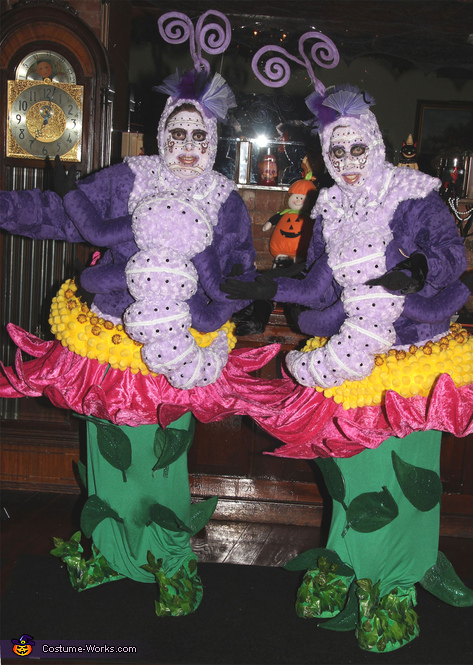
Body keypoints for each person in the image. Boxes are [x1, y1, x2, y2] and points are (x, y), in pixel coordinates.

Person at [0, 12, 273, 617]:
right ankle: (106, 555)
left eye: (200, 137)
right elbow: (60, 214)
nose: (187, 148)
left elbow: (237, 279)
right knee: (108, 456)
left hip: (174, 349)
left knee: (161, 463)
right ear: (160, 134)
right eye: (178, 135)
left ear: (216, 141)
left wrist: (206, 311)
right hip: (106, 339)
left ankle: (170, 566)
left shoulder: (225, 202)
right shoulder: (129, 176)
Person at [222, 76, 473, 651]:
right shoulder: (328, 207)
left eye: (356, 148)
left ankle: (394, 586)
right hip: (351, 356)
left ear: (374, 142)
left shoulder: (414, 192)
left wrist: (417, 272)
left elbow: (449, 254)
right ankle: (347, 564)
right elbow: (322, 279)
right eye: (335, 152)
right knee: (356, 477)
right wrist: (267, 285)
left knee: (406, 478)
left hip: (409, 360)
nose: (347, 162)